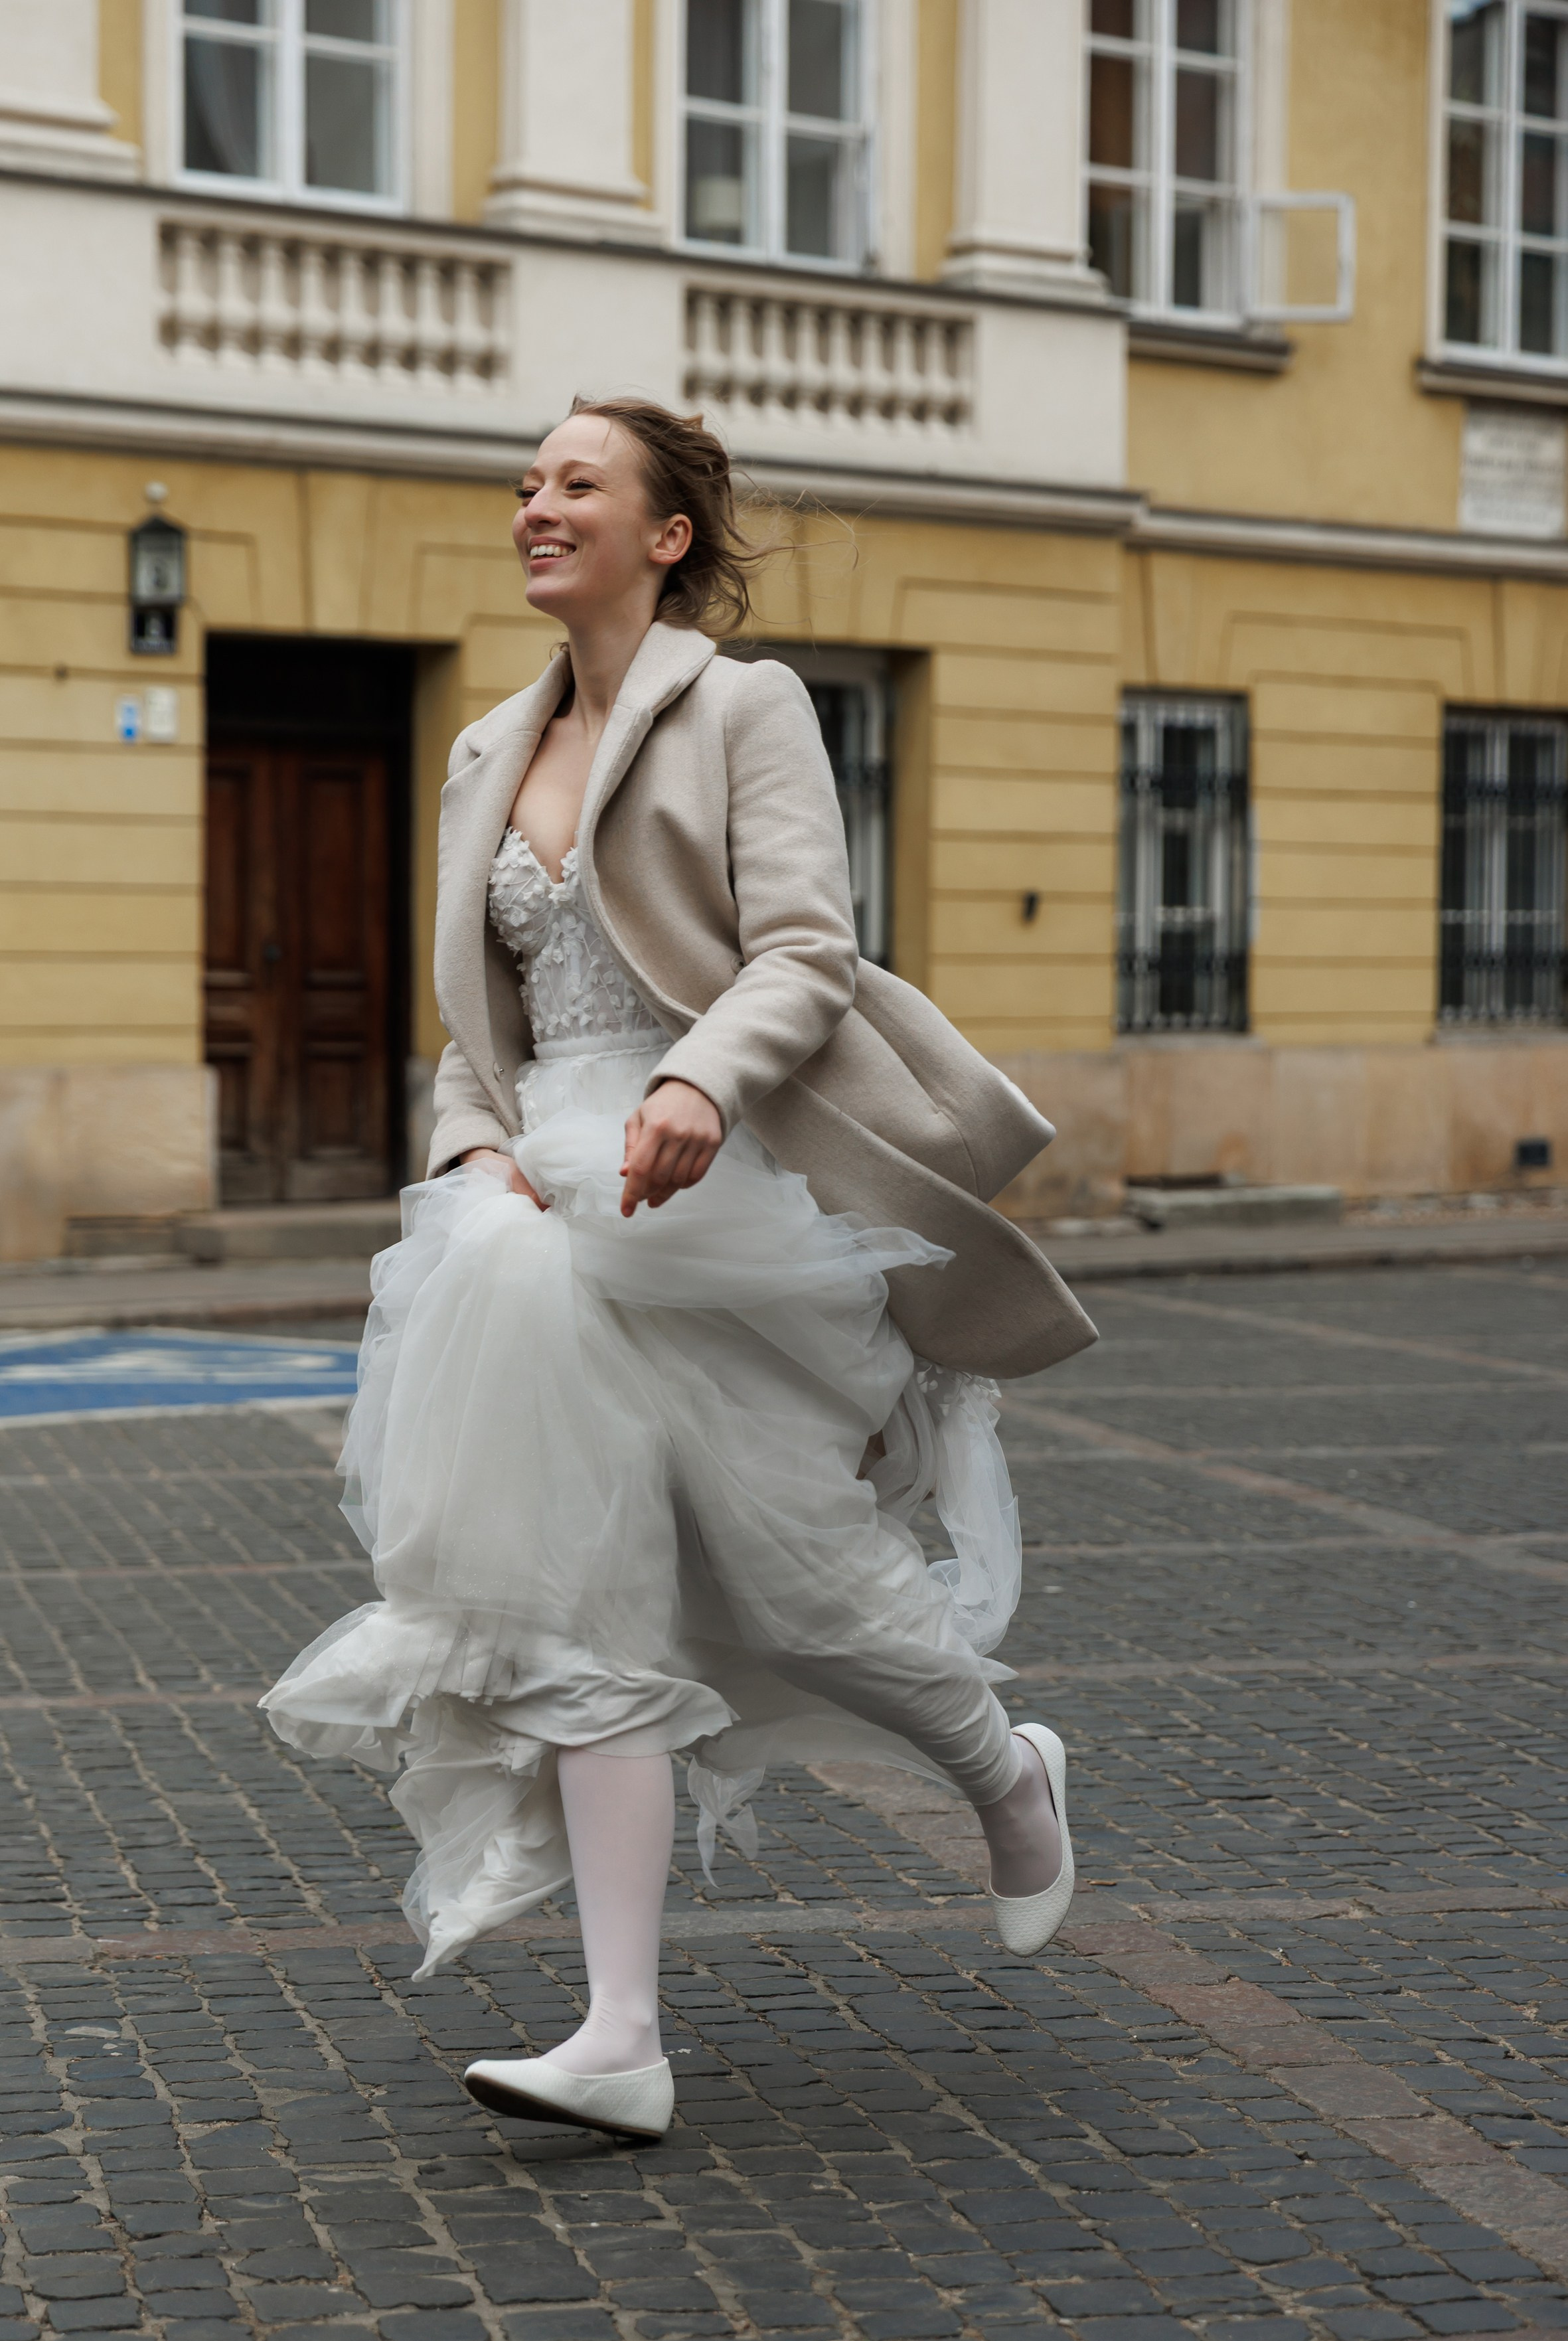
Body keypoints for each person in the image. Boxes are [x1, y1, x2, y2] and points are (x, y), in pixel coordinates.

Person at [261, 396, 1097, 2144]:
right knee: (577, 1609)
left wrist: (696, 1077)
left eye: (576, 482)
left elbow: (806, 950)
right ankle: (620, 2034)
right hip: (529, 1227)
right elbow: (467, 1030)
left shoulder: (743, 704)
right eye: (525, 483)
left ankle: (1002, 1772)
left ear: (664, 535)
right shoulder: (482, 746)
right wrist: (468, 1147)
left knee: (804, 1584)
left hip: (711, 1196)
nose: (534, 505)